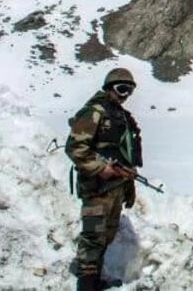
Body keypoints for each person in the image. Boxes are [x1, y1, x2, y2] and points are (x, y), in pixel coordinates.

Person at [65, 68, 142, 291]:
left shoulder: (121, 116)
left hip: (115, 187)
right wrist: (101, 168)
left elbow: (125, 155)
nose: (124, 95)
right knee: (93, 237)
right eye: (121, 89)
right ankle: (86, 284)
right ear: (109, 88)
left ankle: (95, 278)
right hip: (97, 188)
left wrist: (128, 187)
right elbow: (75, 148)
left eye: (129, 90)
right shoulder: (94, 112)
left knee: (106, 235)